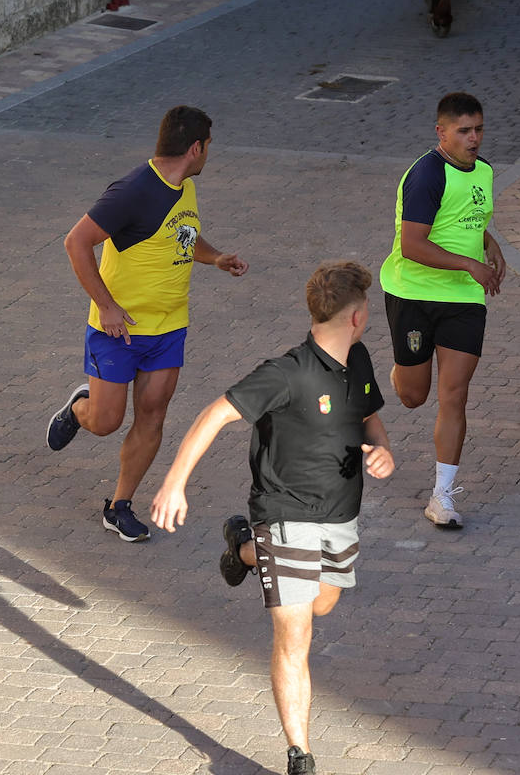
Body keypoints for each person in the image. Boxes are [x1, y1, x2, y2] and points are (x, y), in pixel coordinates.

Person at [149, 261, 394, 775]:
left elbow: (371, 419)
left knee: (323, 604)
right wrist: (174, 483)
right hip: (285, 515)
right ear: (356, 316)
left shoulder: (360, 359)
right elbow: (215, 412)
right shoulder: (286, 373)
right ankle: (299, 753)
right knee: (295, 634)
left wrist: (382, 452)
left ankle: (242, 545)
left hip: (340, 514)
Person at [46, 105, 247, 543]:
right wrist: (108, 306)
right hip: (117, 332)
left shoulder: (185, 187)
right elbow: (75, 242)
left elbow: (181, 235)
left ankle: (119, 506)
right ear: (196, 148)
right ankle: (80, 408)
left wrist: (214, 257)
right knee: (106, 422)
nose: (209, 154)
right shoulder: (133, 190)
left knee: (153, 416)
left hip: (169, 329)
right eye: (209, 146)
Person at [379, 91, 505, 529]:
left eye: (479, 129)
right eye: (464, 131)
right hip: (412, 293)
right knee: (414, 396)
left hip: (464, 300)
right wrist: (471, 262)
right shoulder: (426, 176)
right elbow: (412, 245)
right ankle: (401, 367)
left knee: (455, 394)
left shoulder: (484, 171)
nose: (474, 139)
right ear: (442, 132)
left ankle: (442, 496)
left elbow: (473, 218)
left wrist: (491, 245)